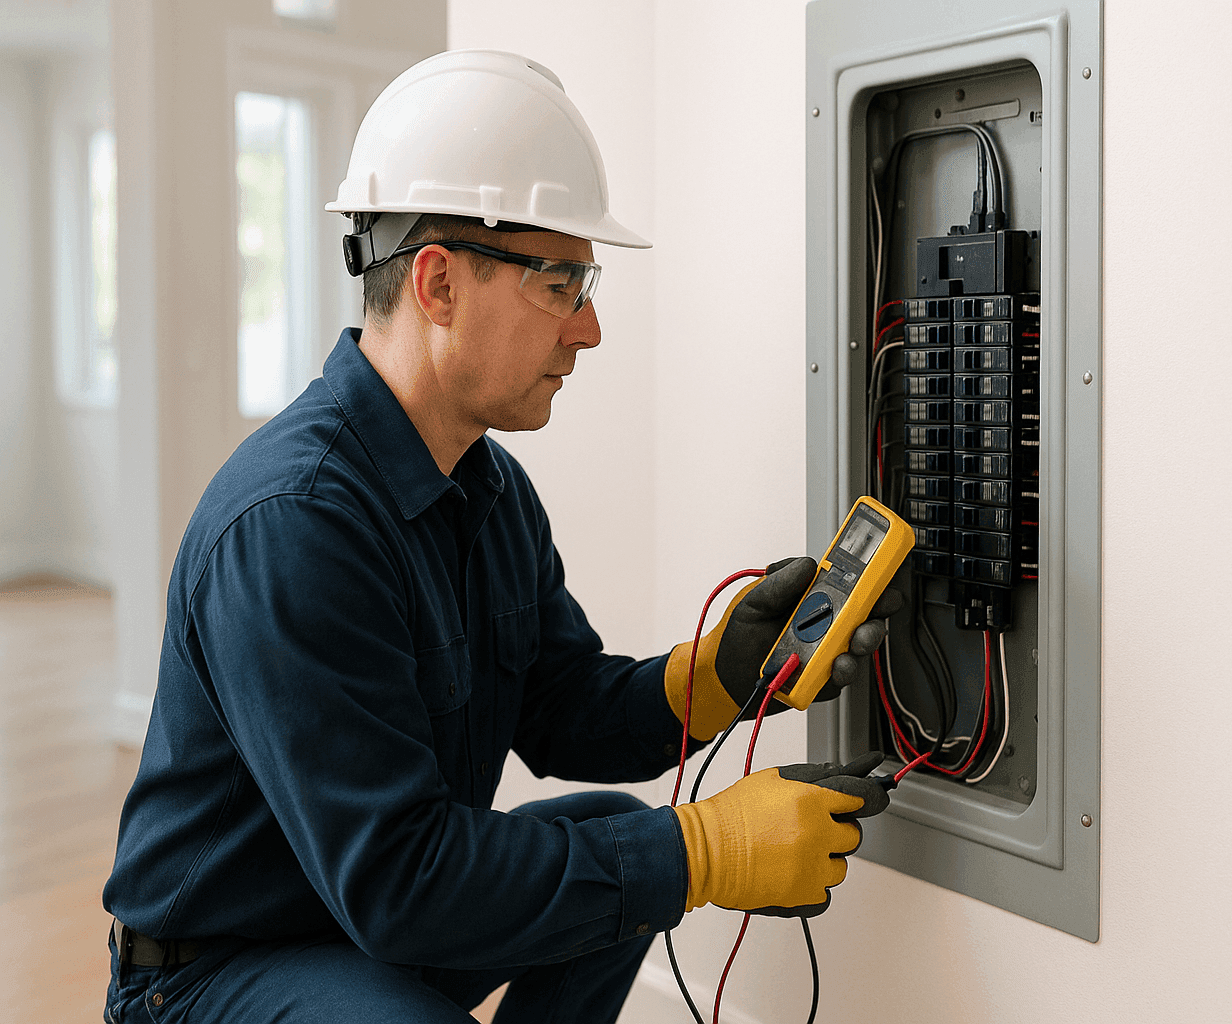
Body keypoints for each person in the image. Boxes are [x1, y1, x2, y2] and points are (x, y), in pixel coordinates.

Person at [101, 50, 897, 1024]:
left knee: (613, 831)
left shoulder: (487, 487)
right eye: (561, 282)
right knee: (634, 863)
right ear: (437, 284)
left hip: (357, 926)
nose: (591, 329)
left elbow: (558, 708)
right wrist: (707, 850)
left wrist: (720, 670)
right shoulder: (294, 524)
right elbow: (401, 880)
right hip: (212, 970)